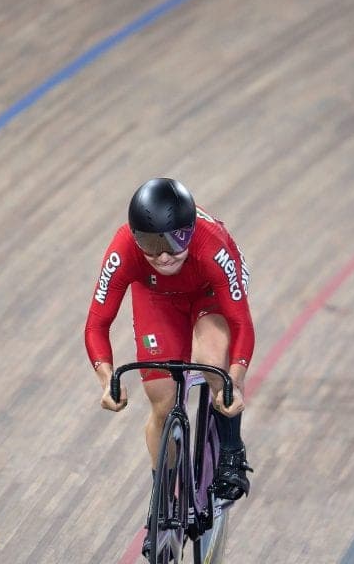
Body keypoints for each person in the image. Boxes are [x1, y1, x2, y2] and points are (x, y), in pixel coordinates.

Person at [84, 177, 254, 553]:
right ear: (135, 237)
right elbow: (97, 324)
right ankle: (164, 502)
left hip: (210, 292)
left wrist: (235, 381)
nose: (163, 256)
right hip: (158, 299)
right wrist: (107, 379)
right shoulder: (123, 250)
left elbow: (241, 323)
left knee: (213, 363)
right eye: (150, 245)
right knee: (162, 401)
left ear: (190, 231)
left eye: (175, 241)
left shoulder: (213, 247)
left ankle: (230, 450)